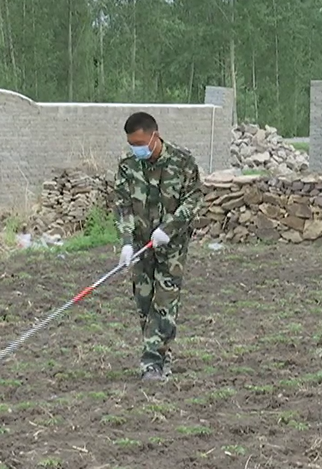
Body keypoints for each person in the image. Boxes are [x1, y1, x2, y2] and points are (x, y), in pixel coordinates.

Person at [113, 111, 202, 381]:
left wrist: (169, 228)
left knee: (164, 303)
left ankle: (151, 363)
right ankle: (161, 354)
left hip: (171, 246)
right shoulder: (128, 166)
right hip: (141, 245)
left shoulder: (183, 161)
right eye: (132, 144)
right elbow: (123, 206)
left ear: (154, 135)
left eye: (140, 143)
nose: (136, 148)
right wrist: (127, 242)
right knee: (144, 302)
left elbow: (193, 199)